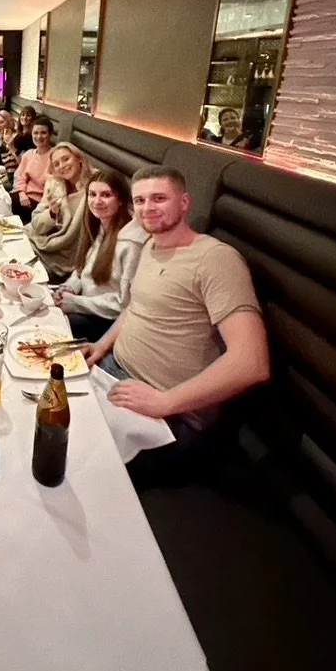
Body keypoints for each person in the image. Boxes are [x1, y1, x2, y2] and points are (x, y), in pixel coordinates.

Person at [81, 166, 270, 479]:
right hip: (113, 373)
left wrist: (165, 402)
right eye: (140, 200)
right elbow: (135, 306)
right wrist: (102, 345)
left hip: (171, 415)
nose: (147, 208)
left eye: (159, 198)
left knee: (73, 460)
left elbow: (252, 363)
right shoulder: (151, 246)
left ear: (184, 203)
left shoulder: (216, 259)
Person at [53, 170, 146, 338]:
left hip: (107, 321)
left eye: (106, 195)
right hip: (86, 304)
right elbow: (82, 270)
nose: (97, 201)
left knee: (49, 324)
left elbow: (124, 304)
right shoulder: (99, 226)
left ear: (121, 200)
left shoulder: (131, 244)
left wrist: (75, 303)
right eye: (92, 194)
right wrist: (70, 287)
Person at [26, 143, 90, 280]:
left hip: (63, 254)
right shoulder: (55, 184)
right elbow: (36, 223)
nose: (62, 166)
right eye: (56, 164)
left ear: (79, 158)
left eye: (66, 159)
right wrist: (52, 213)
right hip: (40, 239)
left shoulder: (94, 189)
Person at [11, 115, 55, 222]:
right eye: (35, 133)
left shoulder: (55, 156)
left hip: (41, 202)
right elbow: (19, 176)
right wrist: (22, 194)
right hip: (23, 196)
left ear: (50, 135)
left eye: (43, 133)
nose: (39, 136)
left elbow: (53, 186)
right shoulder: (28, 154)